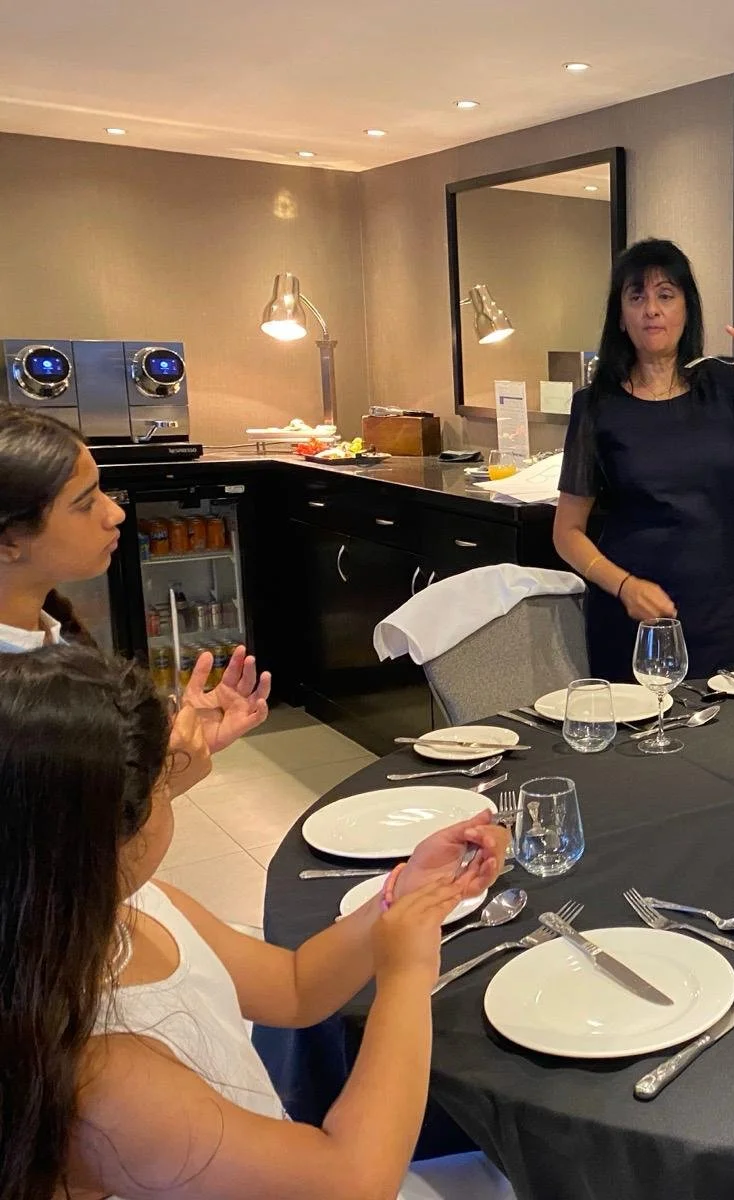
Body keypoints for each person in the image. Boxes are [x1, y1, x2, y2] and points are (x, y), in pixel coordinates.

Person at [0, 643, 508, 1200]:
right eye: (161, 782)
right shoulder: (102, 1079)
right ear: (106, 834)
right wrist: (407, 974)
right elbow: (355, 1181)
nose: (178, 780)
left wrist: (402, 894)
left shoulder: (124, 908)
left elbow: (295, 986)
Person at [554, 238, 734, 681]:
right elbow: (567, 532)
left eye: (666, 295)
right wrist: (624, 587)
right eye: (637, 297)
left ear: (687, 309)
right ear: (621, 317)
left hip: (722, 608)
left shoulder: (729, 385)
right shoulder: (596, 405)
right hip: (632, 613)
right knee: (636, 738)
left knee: (728, 736)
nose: (652, 309)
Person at [0, 406, 271, 791]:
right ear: (8, 539)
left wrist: (162, 749)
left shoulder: (52, 632)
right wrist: (166, 783)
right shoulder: (19, 707)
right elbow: (90, 849)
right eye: (85, 502)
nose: (114, 513)